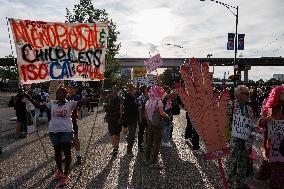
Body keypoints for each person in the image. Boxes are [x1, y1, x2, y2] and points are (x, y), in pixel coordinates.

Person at [24, 86, 86, 186]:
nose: (57, 95)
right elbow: (39, 106)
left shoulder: (70, 103)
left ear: (65, 95)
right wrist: (28, 96)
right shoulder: (52, 103)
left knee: (67, 153)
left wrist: (98, 96)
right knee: (57, 153)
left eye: (60, 93)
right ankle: (60, 172)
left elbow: (84, 101)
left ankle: (66, 174)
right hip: (54, 132)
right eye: (57, 93)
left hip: (66, 131)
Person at [225, 85, 254, 189]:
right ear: (238, 95)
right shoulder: (231, 105)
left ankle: (240, 183)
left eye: (249, 93)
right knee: (231, 162)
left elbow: (249, 124)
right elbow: (226, 123)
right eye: (246, 93)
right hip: (234, 139)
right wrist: (226, 139)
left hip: (245, 140)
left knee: (243, 162)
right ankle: (229, 183)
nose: (249, 95)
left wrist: (255, 129)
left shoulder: (249, 109)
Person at [257, 86, 284, 189]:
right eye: (282, 93)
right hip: (273, 143)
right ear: (277, 95)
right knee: (276, 167)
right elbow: (260, 123)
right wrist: (265, 120)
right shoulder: (270, 109)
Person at [145, 86, 170, 167]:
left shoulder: (148, 101)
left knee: (149, 143)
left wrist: (149, 122)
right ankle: (153, 162)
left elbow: (146, 113)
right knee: (156, 144)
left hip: (150, 125)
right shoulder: (158, 101)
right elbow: (162, 113)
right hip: (157, 125)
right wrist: (168, 117)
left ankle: (147, 159)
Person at [66, 81, 82, 164]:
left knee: (75, 138)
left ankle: (78, 156)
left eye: (71, 87)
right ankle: (66, 157)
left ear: (75, 89)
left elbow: (78, 106)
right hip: (64, 121)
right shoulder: (65, 97)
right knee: (65, 140)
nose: (70, 88)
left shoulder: (77, 97)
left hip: (73, 119)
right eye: (69, 87)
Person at [105, 85, 123, 156]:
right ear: (118, 91)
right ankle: (117, 146)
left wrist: (106, 116)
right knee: (117, 132)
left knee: (112, 133)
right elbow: (121, 109)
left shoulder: (108, 97)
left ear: (112, 90)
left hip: (111, 117)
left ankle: (115, 148)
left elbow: (106, 108)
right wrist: (120, 118)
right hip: (117, 117)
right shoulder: (120, 98)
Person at [122, 83, 139, 157]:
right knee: (132, 135)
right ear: (130, 90)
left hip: (133, 118)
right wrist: (137, 106)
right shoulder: (128, 97)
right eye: (133, 89)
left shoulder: (132, 96)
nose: (134, 90)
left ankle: (128, 139)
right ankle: (129, 150)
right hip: (130, 118)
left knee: (132, 134)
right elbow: (128, 109)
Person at [137, 85, 149, 152]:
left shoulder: (149, 97)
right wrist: (140, 118)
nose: (147, 90)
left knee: (148, 131)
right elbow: (139, 109)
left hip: (148, 117)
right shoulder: (140, 97)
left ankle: (148, 144)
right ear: (144, 90)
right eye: (146, 89)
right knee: (141, 132)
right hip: (143, 117)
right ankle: (140, 145)